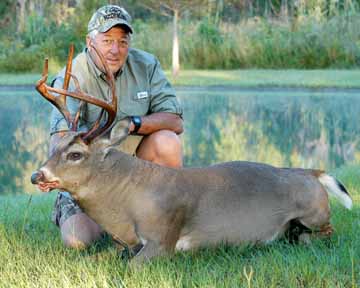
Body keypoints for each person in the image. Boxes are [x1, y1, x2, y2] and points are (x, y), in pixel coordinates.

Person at [49, 5, 183, 249]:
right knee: (78, 240)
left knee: (168, 142)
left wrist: (134, 124)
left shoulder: (146, 65)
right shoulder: (73, 75)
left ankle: (162, 220)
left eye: (122, 41)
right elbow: (59, 139)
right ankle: (84, 212)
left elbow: (175, 121)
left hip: (135, 171)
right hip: (91, 177)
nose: (115, 49)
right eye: (107, 40)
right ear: (90, 42)